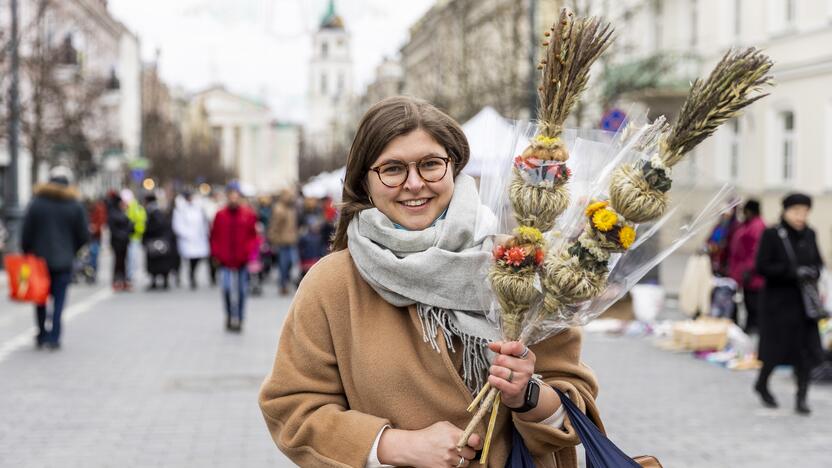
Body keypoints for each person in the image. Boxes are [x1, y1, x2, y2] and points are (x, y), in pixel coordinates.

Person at [258, 96, 600, 467]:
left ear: (453, 167)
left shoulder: (518, 262)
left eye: (431, 165)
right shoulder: (334, 282)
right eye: (392, 169)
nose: (415, 183)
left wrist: (528, 395)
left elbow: (575, 405)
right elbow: (292, 407)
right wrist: (393, 445)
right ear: (364, 180)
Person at [754, 193, 825, 415]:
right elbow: (762, 266)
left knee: (804, 352)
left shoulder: (810, 233)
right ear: (785, 211)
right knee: (775, 352)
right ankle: (762, 383)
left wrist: (813, 270)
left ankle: (801, 398)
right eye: (796, 211)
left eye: (804, 212)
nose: (800, 216)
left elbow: (818, 261)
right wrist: (791, 272)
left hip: (804, 306)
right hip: (779, 305)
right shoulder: (773, 234)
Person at [20, 166, 89, 350]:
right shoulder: (74, 205)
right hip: (63, 261)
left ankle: (42, 333)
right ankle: (55, 336)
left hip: (39, 261)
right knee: (59, 300)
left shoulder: (37, 203)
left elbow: (26, 233)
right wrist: (71, 250)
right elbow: (83, 235)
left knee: (40, 297)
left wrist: (27, 252)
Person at [210, 183, 257, 332]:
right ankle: (230, 315)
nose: (233, 200)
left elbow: (253, 236)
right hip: (225, 260)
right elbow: (214, 236)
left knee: (242, 291)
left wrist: (249, 252)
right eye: (231, 196)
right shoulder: (220, 215)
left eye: (236, 197)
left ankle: (240, 318)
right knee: (227, 289)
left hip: (242, 259)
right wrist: (216, 254)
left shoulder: (248, 214)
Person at [727, 199, 766, 332]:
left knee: (753, 305)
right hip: (745, 274)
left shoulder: (757, 226)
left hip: (753, 277)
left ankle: (752, 330)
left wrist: (748, 270)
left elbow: (756, 251)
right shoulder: (749, 224)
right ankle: (749, 328)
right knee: (748, 304)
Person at [172, 190, 211, 289]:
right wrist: (186, 234)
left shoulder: (198, 208)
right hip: (186, 239)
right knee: (185, 259)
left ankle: (192, 274)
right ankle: (181, 276)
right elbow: (177, 225)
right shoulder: (180, 209)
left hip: (198, 238)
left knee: (196, 258)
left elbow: (203, 222)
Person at [142, 193, 177, 290]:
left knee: (155, 262)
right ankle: (163, 281)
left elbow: (152, 227)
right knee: (161, 262)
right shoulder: (159, 211)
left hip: (155, 240)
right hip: (162, 240)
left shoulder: (152, 212)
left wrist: (146, 235)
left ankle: (156, 281)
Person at [267, 189, 299, 295]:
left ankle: (286, 282)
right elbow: (274, 225)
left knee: (291, 263)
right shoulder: (279, 209)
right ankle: (283, 284)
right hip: (282, 242)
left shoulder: (291, 208)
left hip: (291, 240)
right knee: (283, 265)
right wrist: (273, 239)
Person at [106, 192, 133, 291]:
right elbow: (113, 228)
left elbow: (129, 224)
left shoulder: (122, 212)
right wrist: (123, 234)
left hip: (124, 241)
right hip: (118, 241)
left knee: (124, 262)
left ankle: (123, 280)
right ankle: (117, 281)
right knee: (118, 262)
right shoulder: (113, 213)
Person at [123, 189, 147, 287]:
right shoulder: (135, 207)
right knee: (132, 257)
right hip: (133, 236)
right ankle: (130, 274)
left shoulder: (133, 208)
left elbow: (139, 222)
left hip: (133, 236)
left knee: (132, 257)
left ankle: (130, 275)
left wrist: (134, 230)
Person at [87, 197, 108, 283]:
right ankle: (90, 273)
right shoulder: (92, 210)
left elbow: (101, 222)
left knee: (93, 255)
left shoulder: (99, 209)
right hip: (90, 236)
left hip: (95, 236)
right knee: (90, 256)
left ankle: (92, 273)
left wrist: (94, 228)